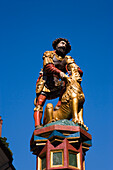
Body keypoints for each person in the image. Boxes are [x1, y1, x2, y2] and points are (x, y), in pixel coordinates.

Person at [34, 38, 83, 129]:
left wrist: (76, 70)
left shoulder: (67, 58)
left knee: (68, 86)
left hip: (60, 84)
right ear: (56, 45)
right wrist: (60, 73)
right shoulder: (48, 54)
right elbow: (48, 66)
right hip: (47, 82)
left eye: (65, 45)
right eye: (61, 43)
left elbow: (75, 68)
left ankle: (59, 107)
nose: (63, 45)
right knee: (40, 103)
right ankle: (37, 125)